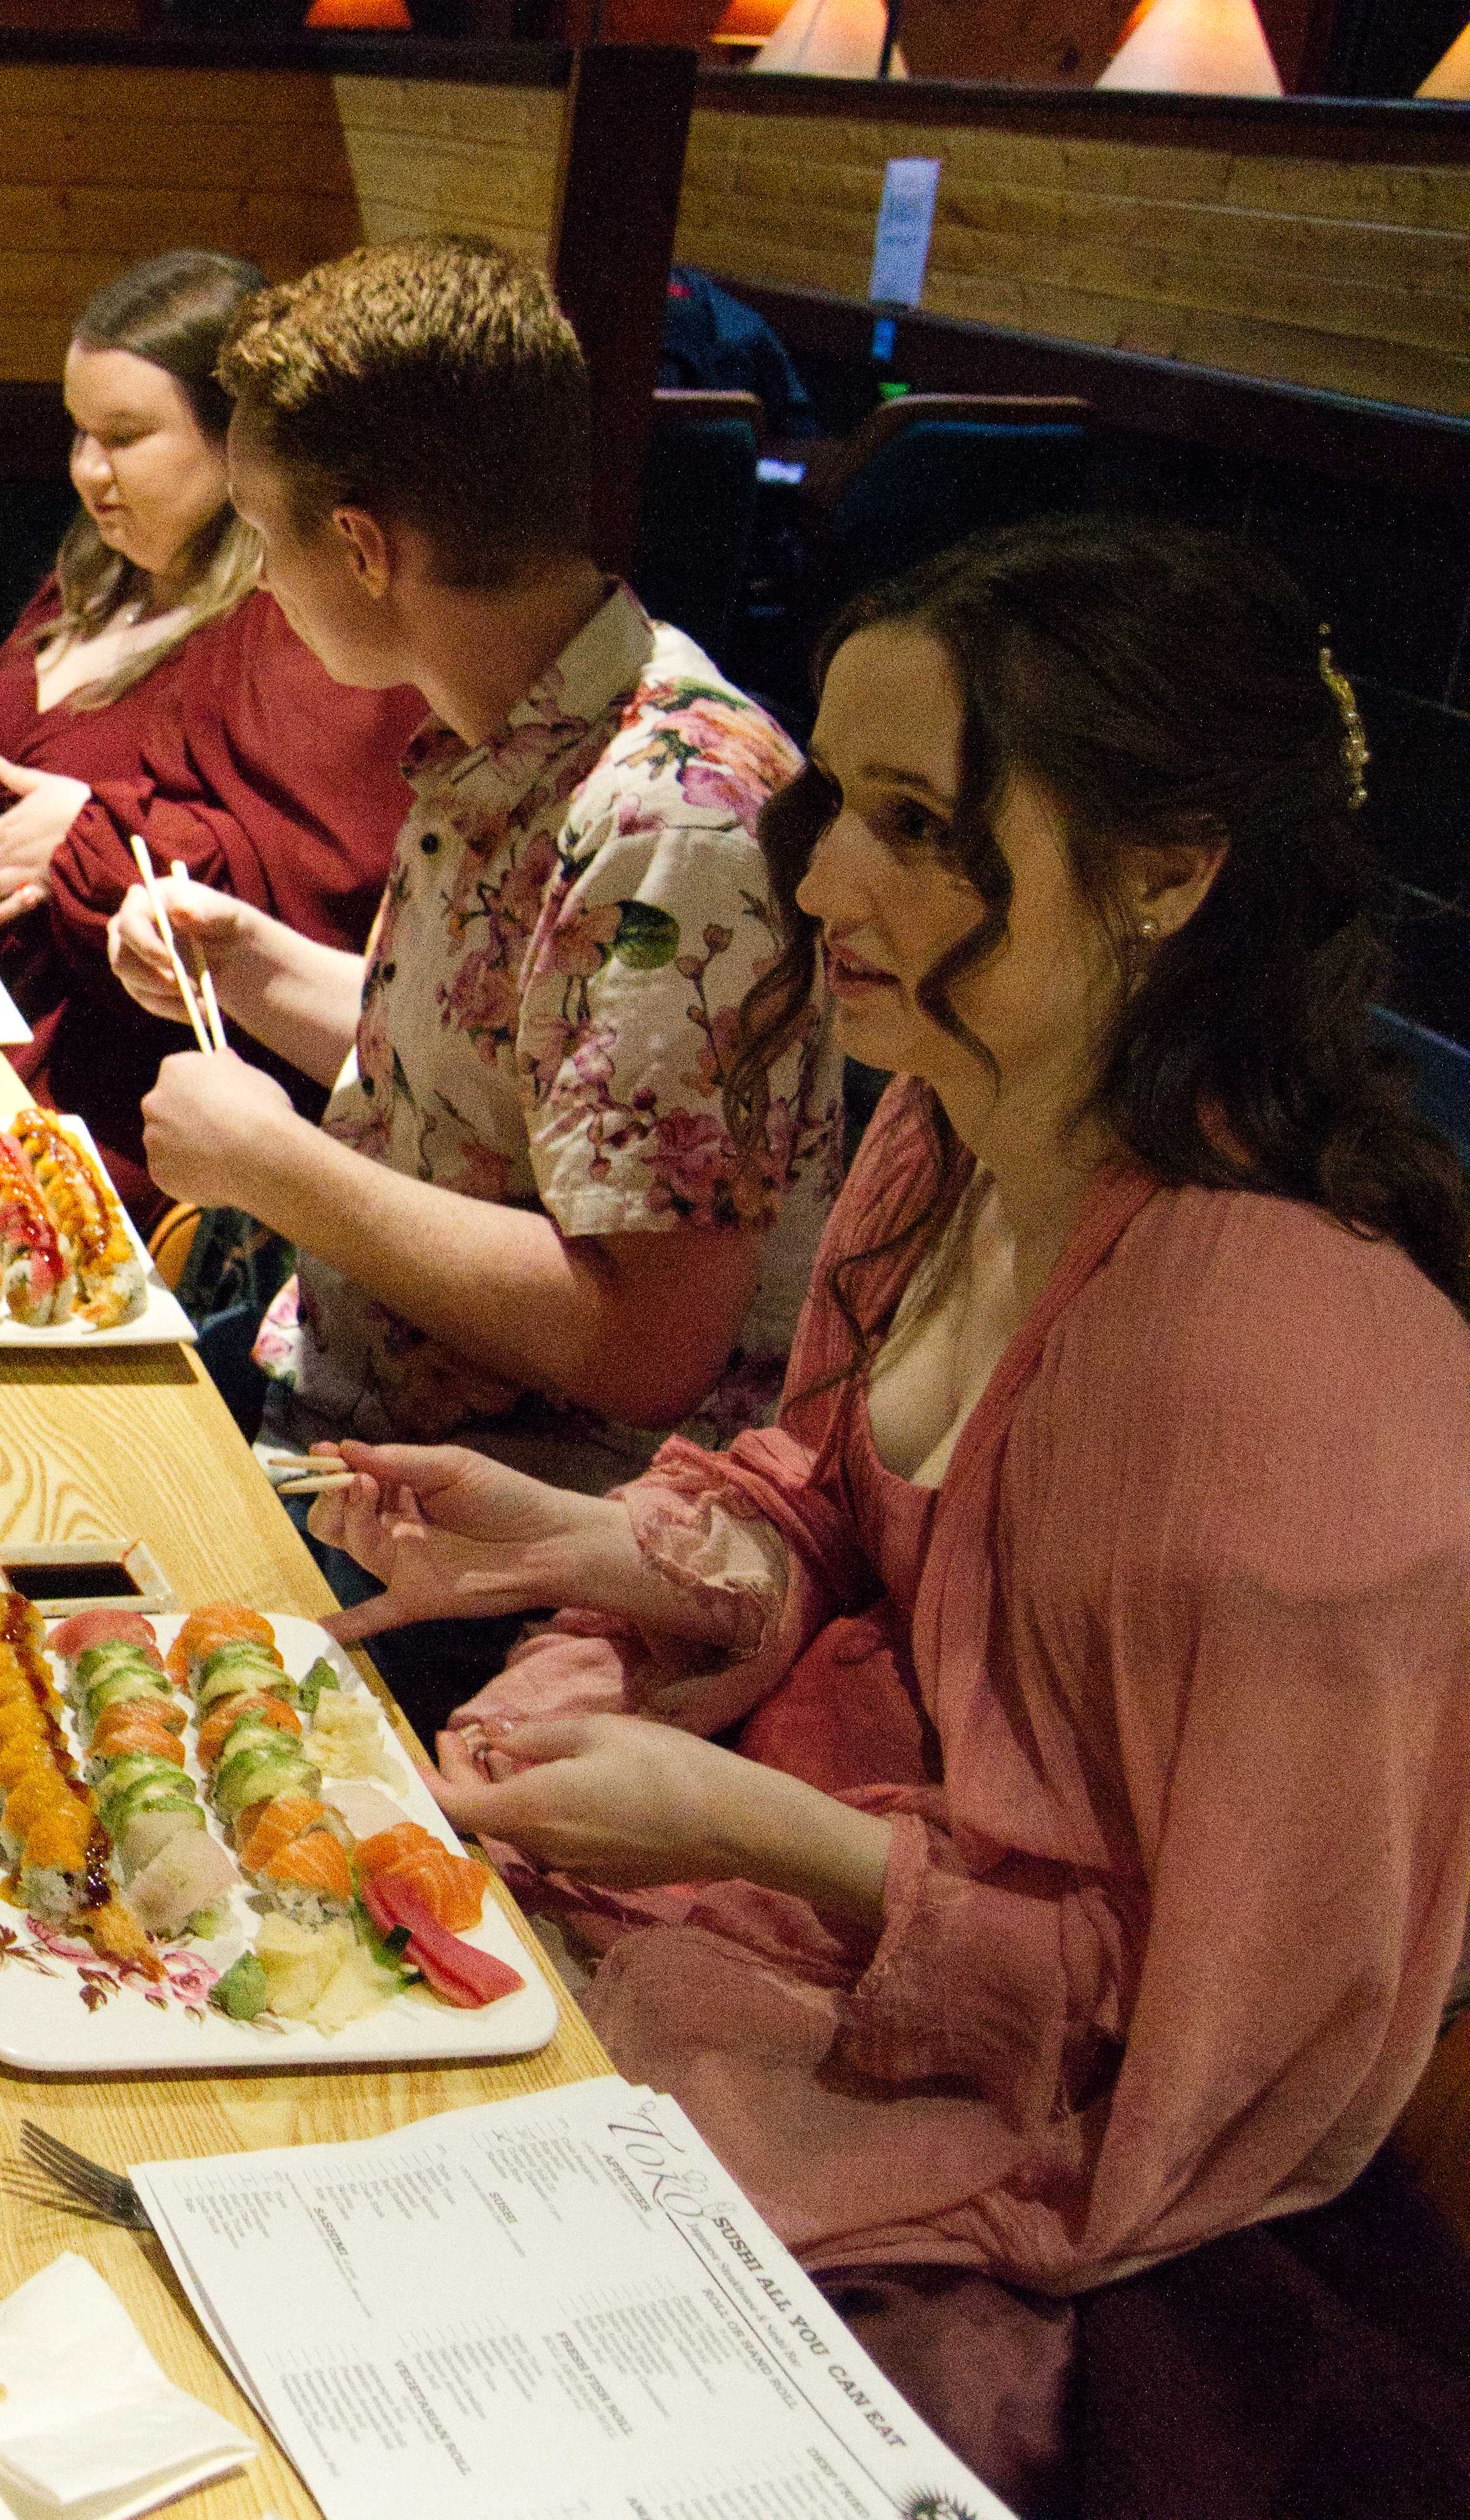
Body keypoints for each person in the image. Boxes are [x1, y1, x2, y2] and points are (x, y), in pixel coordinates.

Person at [299, 518, 1470, 2505]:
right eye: (840, 796)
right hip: (810, 1931)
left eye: (917, 824)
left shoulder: (1291, 1371)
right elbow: (824, 1492)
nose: (820, 873)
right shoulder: (949, 1119)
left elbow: (1240, 2038)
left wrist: (760, 1826)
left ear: (1168, 872)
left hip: (1067, 2172)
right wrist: (588, 1541)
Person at [112, 237, 843, 1727]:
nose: (257, 579)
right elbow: (495, 1086)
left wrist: (279, 1170)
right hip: (347, 1445)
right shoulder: (505, 724)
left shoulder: (669, 823)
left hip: (513, 1574)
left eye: (266, 533)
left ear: (367, 550)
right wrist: (258, 969)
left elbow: (647, 1338)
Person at [0, 246, 419, 1218]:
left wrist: (97, 838)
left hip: (93, 1123)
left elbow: (308, 892)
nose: (87, 472)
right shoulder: (103, 573)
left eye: (124, 437)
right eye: (78, 434)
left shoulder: (294, 623)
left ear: (236, 441)